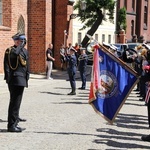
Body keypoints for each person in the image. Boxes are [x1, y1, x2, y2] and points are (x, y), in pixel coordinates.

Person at [3, 32, 30, 132]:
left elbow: (27, 64)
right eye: (20, 41)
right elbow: (14, 55)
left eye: (23, 41)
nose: (23, 43)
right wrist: (19, 46)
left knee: (17, 103)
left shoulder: (24, 51)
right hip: (15, 79)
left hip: (22, 79)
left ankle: (15, 121)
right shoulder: (11, 50)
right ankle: (11, 125)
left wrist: (28, 75)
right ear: (16, 41)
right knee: (14, 102)